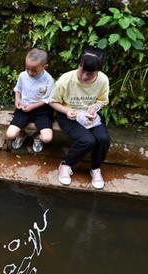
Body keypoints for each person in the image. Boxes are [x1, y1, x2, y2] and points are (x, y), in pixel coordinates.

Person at [49, 48, 110, 189]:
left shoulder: (103, 80)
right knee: (87, 140)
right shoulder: (65, 80)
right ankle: (66, 165)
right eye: (82, 71)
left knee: (103, 139)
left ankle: (95, 168)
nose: (84, 77)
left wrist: (94, 108)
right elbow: (53, 102)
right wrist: (67, 110)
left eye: (90, 74)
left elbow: (102, 100)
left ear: (98, 71)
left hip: (89, 115)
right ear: (79, 64)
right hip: (68, 115)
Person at [3, 48, 54, 153]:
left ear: (44, 67)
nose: (30, 72)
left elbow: (47, 99)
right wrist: (17, 100)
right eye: (27, 69)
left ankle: (37, 137)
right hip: (24, 107)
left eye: (34, 70)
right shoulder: (23, 75)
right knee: (10, 134)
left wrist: (33, 106)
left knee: (47, 138)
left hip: (42, 110)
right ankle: (22, 134)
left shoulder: (49, 79)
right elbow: (18, 90)